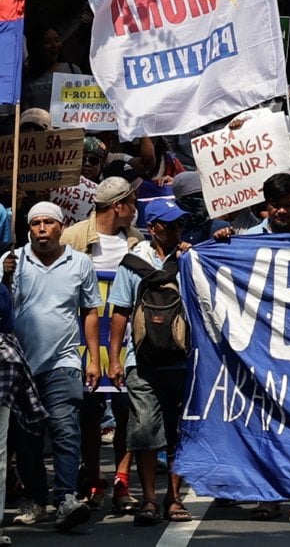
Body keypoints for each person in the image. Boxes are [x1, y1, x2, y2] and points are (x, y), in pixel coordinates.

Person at [9, 202, 99, 530]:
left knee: (65, 428)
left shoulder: (80, 263)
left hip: (63, 361)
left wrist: (92, 358)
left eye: (49, 222)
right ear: (28, 229)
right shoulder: (12, 262)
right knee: (26, 437)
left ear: (62, 227)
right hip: (20, 364)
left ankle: (65, 498)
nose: (42, 229)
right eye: (36, 224)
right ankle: (35, 498)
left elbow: (90, 310)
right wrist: (4, 278)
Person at [107, 199, 193, 527]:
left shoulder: (189, 260)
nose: (175, 230)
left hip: (181, 361)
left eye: (179, 225)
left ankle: (173, 498)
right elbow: (119, 312)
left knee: (177, 432)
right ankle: (149, 499)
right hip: (140, 362)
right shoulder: (132, 264)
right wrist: (114, 360)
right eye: (169, 225)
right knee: (144, 429)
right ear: (153, 227)